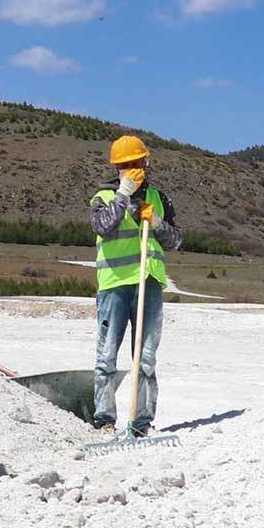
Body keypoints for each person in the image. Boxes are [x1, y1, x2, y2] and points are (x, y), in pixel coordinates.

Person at [89, 135, 184, 437]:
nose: (131, 169)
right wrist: (122, 195)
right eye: (124, 165)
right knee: (106, 356)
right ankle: (104, 419)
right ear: (116, 167)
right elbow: (103, 226)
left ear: (146, 162)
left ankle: (141, 423)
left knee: (145, 358)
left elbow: (176, 241)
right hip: (115, 285)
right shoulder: (102, 197)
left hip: (150, 284)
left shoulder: (160, 198)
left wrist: (156, 222)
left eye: (135, 163)